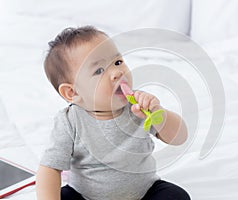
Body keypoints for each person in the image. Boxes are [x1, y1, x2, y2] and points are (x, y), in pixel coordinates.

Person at [36, 25, 191, 200]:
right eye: (99, 71)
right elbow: (49, 169)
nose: (117, 73)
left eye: (118, 62)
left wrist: (159, 114)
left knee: (177, 196)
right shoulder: (70, 122)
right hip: (86, 197)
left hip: (144, 193)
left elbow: (180, 138)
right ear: (73, 93)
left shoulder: (139, 108)